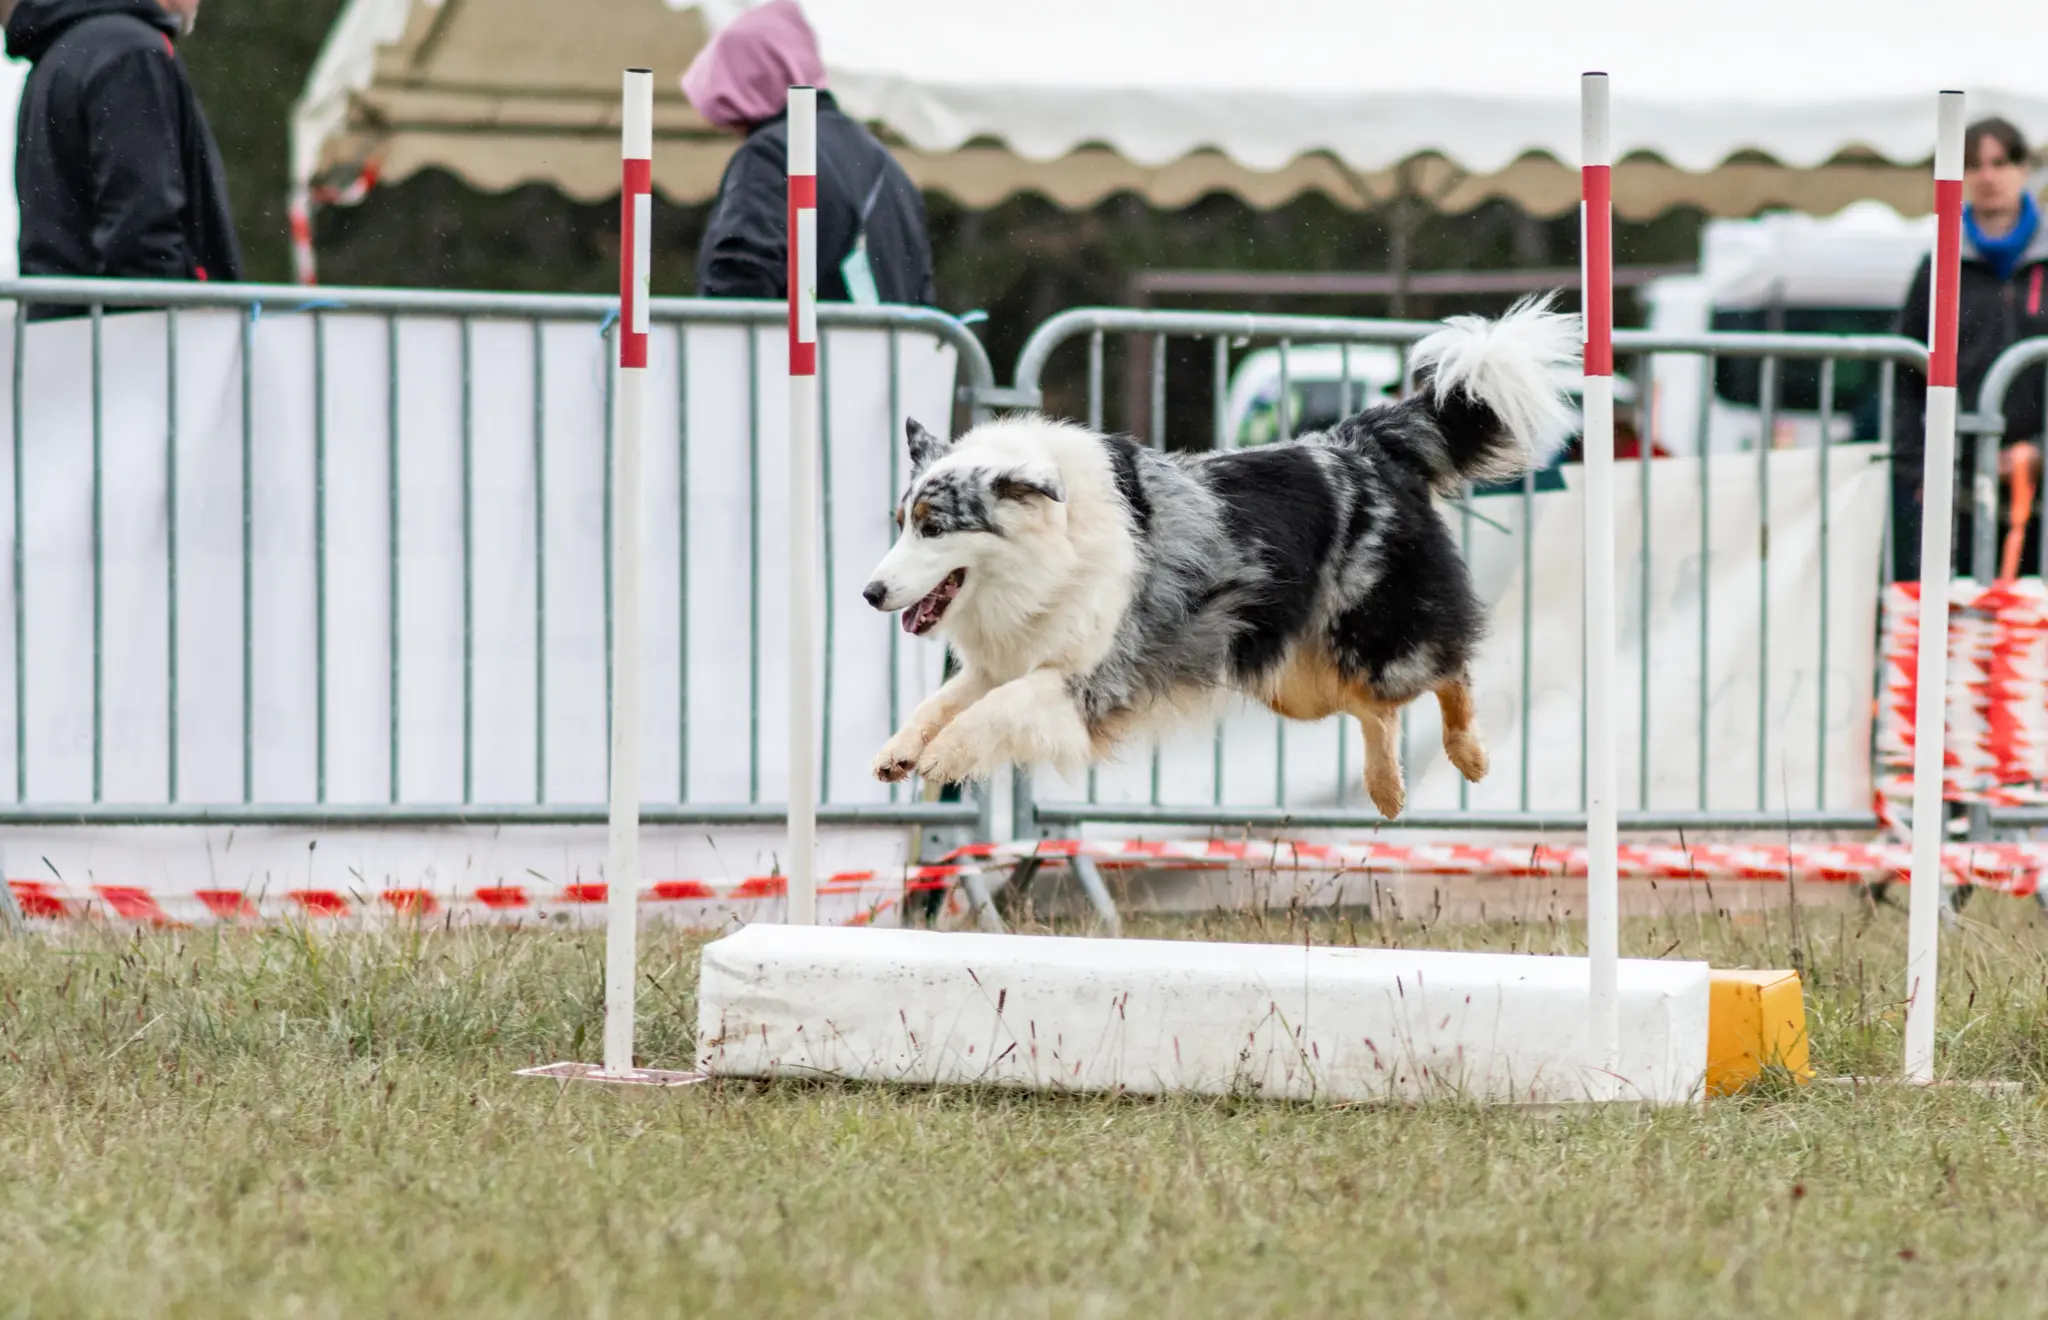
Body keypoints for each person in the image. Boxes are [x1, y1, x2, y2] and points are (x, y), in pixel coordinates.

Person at [683, 0, 935, 306]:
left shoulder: (771, 154)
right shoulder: (887, 165)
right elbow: (920, 292)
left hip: (801, 352)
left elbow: (740, 281)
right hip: (893, 353)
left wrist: (713, 342)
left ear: (746, 88)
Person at [5, 0, 241, 317]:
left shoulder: (62, 53)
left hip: (67, 338)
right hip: (140, 344)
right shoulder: (131, 51)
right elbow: (141, 229)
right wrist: (180, 321)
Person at [1893, 116, 2046, 582]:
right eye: (1973, 165)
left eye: (2000, 162)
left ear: (2024, 169)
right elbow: (1906, 371)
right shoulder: (1937, 265)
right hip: (1953, 486)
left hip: (2039, 489)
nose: (1988, 176)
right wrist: (1921, 464)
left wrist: (2038, 451)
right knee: (1955, 627)